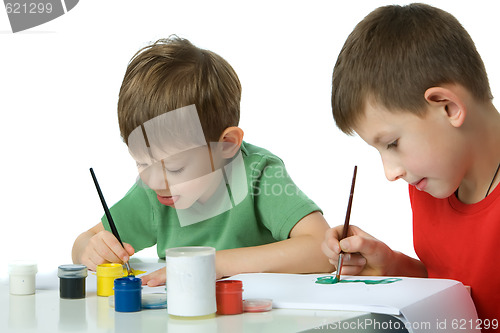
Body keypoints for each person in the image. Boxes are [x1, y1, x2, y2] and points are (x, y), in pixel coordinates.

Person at [72, 36, 333, 287]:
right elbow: (86, 241)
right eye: (142, 163)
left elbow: (323, 249)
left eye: (175, 168)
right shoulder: (155, 191)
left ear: (227, 145)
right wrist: (90, 250)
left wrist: (215, 263)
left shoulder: (258, 173)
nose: (153, 182)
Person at [321, 3, 500, 330]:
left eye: (392, 144)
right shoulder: (432, 183)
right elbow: (455, 290)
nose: (391, 173)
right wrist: (390, 264)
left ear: (447, 108)